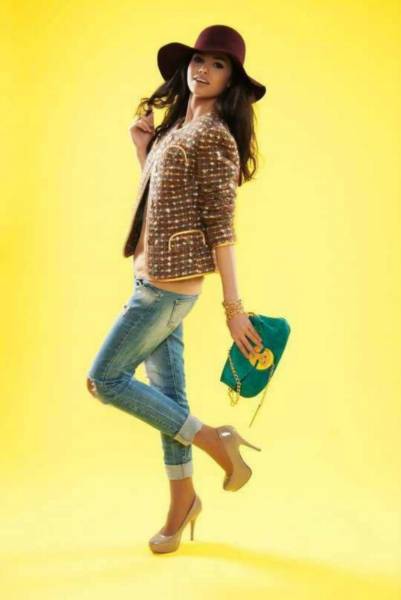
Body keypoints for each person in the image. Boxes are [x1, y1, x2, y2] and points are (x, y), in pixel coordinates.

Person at [86, 24, 267, 554]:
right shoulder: (177, 131)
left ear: (231, 81)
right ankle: (183, 501)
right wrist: (143, 146)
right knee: (169, 402)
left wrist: (234, 308)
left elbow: (221, 227)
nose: (202, 69)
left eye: (217, 64)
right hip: (150, 275)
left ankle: (215, 441)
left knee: (105, 380)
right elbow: (164, 198)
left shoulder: (214, 136)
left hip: (165, 291)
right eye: (198, 60)